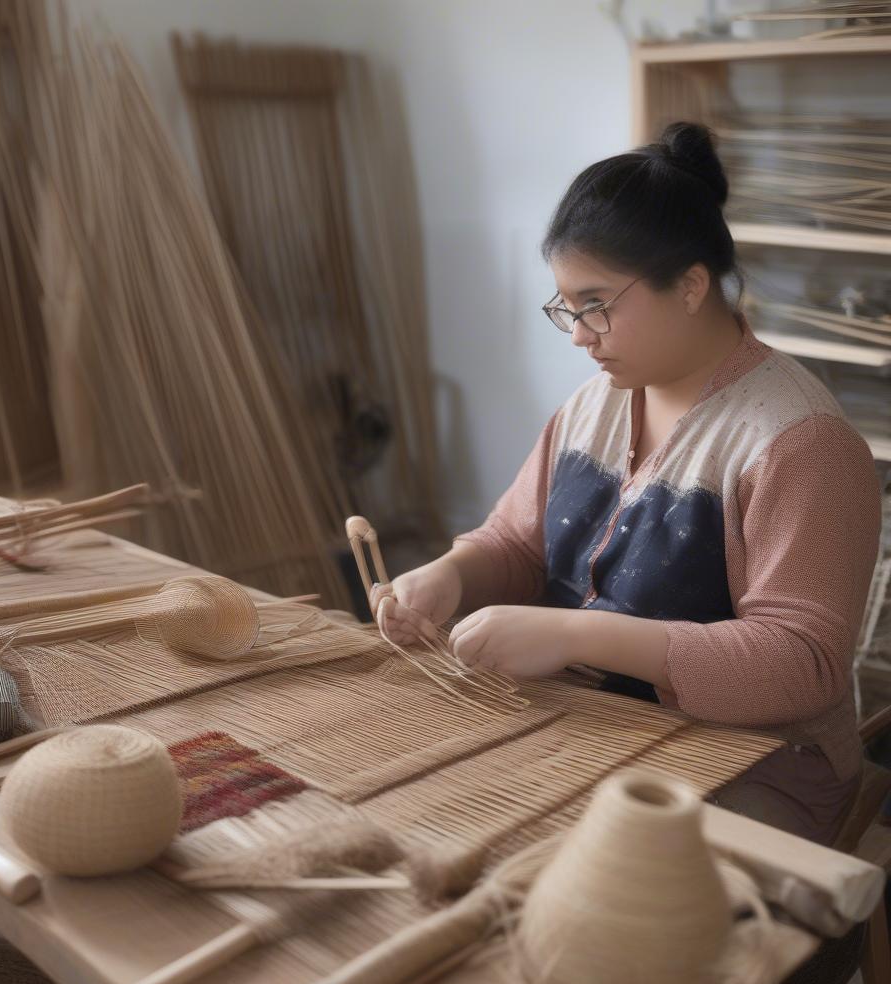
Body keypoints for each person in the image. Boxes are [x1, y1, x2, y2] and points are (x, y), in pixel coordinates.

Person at [372, 121, 882, 847]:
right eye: (566, 308)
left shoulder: (800, 443)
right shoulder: (593, 404)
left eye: (596, 303)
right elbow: (518, 540)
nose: (580, 334)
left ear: (692, 286)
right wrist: (450, 576)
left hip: (754, 758)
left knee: (590, 885)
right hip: (590, 721)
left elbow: (802, 665)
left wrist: (576, 632)